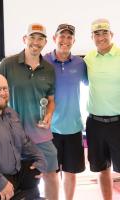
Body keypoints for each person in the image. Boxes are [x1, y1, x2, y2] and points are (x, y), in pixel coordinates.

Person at [0, 23, 59, 200]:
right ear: (25, 39)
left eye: (40, 39)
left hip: (41, 134)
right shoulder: (8, 64)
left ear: (45, 42)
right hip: (12, 136)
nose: (36, 42)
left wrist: (49, 115)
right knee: (15, 179)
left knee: (51, 175)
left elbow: (51, 101)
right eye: (32, 37)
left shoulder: (49, 69)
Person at [84, 18, 120, 200]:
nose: (101, 37)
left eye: (104, 33)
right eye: (97, 34)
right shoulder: (88, 58)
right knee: (101, 171)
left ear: (111, 35)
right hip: (95, 124)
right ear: (92, 37)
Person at [44, 24, 87, 200]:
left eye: (69, 37)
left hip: (74, 127)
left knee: (70, 172)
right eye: (62, 36)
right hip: (49, 129)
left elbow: (93, 84)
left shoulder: (80, 63)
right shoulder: (43, 61)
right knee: (50, 174)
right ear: (54, 39)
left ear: (73, 41)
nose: (65, 40)